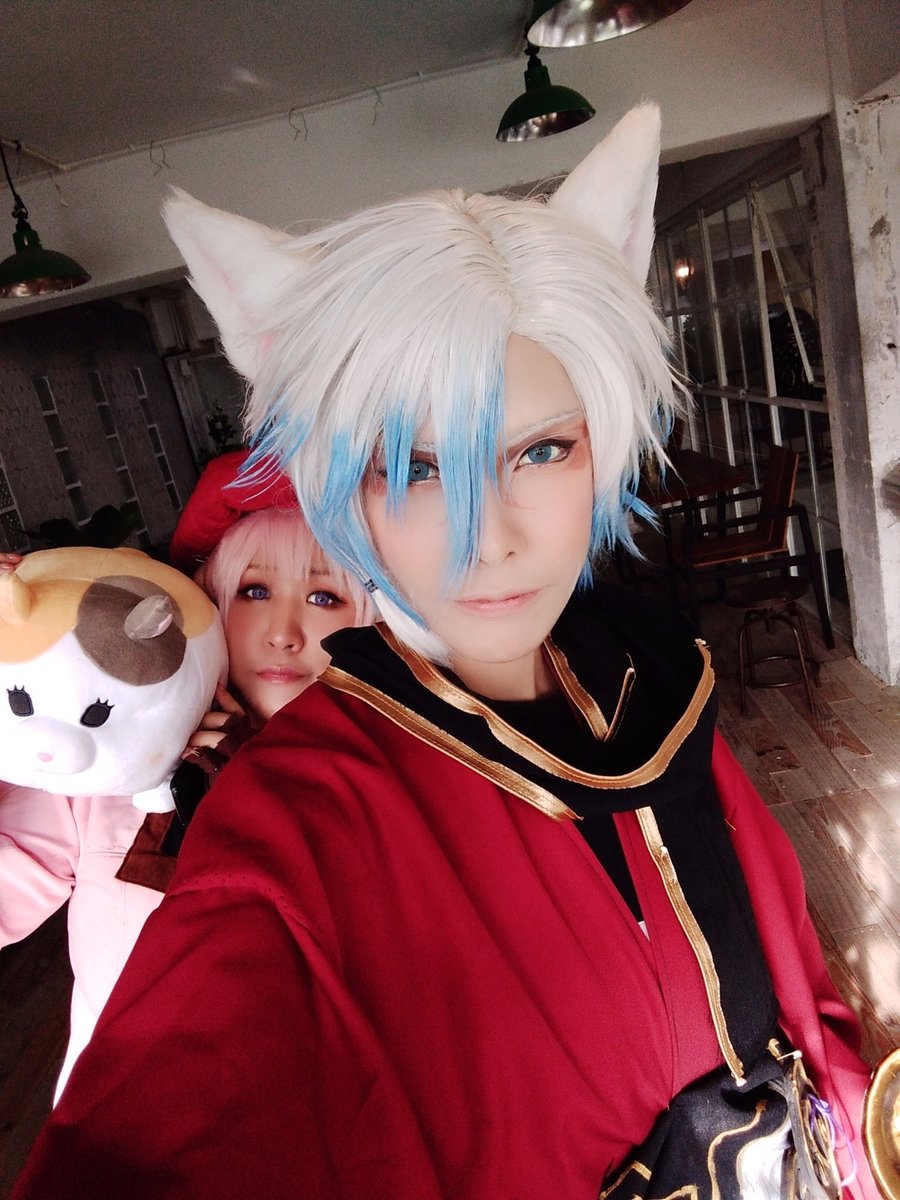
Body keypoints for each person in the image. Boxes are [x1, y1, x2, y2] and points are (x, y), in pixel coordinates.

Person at [13, 105, 879, 1200]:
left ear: (601, 443)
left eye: (542, 451)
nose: (489, 536)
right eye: (415, 468)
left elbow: (796, 976)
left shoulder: (655, 684)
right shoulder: (301, 811)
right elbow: (168, 1123)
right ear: (343, 493)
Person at [0, 455, 370, 1099]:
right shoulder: (105, 770)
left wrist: (259, 789)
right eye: (254, 591)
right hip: (108, 1108)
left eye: (323, 597)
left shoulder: (394, 782)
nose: (283, 633)